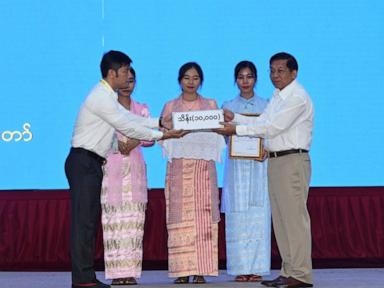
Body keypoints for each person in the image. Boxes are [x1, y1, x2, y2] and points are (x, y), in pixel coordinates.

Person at [65, 50, 185, 288]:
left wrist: (159, 122)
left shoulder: (107, 96)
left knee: (88, 223)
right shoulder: (101, 96)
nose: (129, 75)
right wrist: (162, 133)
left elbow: (129, 118)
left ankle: (86, 277)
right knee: (83, 223)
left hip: (90, 163)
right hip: (83, 162)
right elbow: (127, 125)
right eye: (125, 71)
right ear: (113, 73)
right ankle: (82, 279)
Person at [215, 52, 314, 288]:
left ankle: (300, 274)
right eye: (272, 70)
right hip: (277, 161)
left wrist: (235, 130)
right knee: (281, 221)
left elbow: (272, 127)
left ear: (294, 72)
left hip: (292, 160)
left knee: (294, 220)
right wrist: (235, 117)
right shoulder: (278, 97)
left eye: (280, 71)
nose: (275, 75)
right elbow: (260, 121)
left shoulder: (297, 97)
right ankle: (289, 270)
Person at [160, 62, 226, 284]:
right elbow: (162, 134)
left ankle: (200, 269)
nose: (191, 82)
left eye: (195, 78)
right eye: (186, 77)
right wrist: (167, 127)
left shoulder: (210, 104)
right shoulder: (170, 106)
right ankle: (180, 271)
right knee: (179, 220)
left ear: (201, 81)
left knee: (204, 219)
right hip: (179, 170)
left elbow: (218, 134)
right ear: (180, 80)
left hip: (203, 170)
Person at [100, 67, 153, 286]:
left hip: (135, 172)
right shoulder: (106, 109)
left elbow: (151, 137)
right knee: (113, 221)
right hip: (111, 171)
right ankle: (115, 273)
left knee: (134, 223)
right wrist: (117, 144)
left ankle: (130, 272)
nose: (127, 84)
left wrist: (136, 141)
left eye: (131, 80)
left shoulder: (141, 109)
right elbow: (98, 136)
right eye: (124, 79)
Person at [221, 61, 271, 282]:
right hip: (237, 167)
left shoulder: (267, 105)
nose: (245, 81)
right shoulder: (228, 106)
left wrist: (267, 150)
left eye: (249, 76)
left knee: (259, 216)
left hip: (259, 166)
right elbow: (224, 136)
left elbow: (271, 134)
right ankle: (240, 268)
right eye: (240, 77)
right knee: (238, 217)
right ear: (235, 80)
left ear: (256, 79)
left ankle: (258, 267)